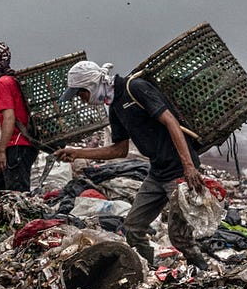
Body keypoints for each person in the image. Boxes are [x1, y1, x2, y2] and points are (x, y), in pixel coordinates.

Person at [54, 60, 211, 268]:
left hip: (178, 171)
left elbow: (170, 121)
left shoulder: (134, 88)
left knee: (179, 237)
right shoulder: (115, 107)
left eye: (81, 93)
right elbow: (119, 150)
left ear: (91, 85)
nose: (81, 99)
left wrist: (189, 166)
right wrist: (77, 153)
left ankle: (203, 270)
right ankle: (148, 270)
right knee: (133, 228)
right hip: (157, 172)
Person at [0, 41, 36, 194]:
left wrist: (1, 150)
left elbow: (9, 118)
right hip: (25, 146)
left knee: (18, 193)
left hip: (17, 146)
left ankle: (24, 211)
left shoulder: (2, 83)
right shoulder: (14, 79)